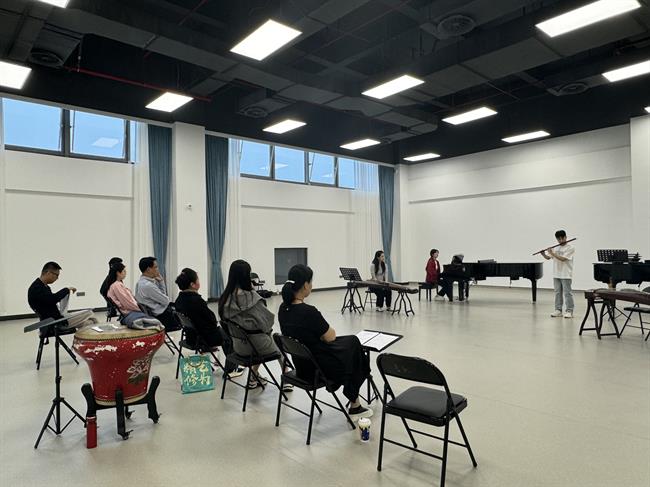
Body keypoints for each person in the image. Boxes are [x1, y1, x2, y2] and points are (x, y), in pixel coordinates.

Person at [278, 264, 372, 419]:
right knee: (354, 347)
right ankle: (355, 404)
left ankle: (354, 400)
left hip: (302, 366)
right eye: (311, 282)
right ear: (305, 285)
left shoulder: (283, 309)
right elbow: (330, 337)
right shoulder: (309, 312)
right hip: (318, 369)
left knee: (350, 344)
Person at [218, 260, 289, 390]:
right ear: (247, 276)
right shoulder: (252, 297)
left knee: (258, 338)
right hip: (258, 347)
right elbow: (267, 323)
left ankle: (253, 377)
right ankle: (286, 377)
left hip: (239, 347)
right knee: (276, 339)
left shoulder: (225, 299)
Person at [28, 261, 97, 336]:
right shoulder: (36, 288)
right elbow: (53, 299)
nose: (57, 278)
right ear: (48, 273)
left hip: (55, 319)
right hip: (54, 322)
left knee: (88, 323)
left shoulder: (43, 286)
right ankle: (101, 338)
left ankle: (86, 341)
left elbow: (50, 301)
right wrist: (66, 289)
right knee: (89, 313)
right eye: (56, 275)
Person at [106, 262, 162, 329]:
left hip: (130, 310)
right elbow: (126, 302)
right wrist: (139, 308)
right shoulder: (117, 285)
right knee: (157, 317)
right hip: (130, 311)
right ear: (118, 273)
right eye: (124, 271)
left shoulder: (116, 285)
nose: (125, 273)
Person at [134, 256, 181, 331]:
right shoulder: (148, 286)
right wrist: (162, 282)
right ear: (148, 269)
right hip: (162, 317)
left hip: (155, 313)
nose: (158, 269)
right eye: (156, 267)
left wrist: (160, 282)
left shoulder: (140, 282)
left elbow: (163, 297)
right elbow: (166, 301)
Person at [541, 230, 575, 318]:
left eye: (562, 238)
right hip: (556, 274)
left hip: (566, 274)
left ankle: (569, 311)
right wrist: (543, 254)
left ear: (565, 237)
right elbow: (548, 257)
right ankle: (558, 310)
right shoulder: (555, 248)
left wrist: (552, 253)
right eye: (558, 239)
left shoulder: (570, 248)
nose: (560, 241)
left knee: (567, 293)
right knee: (557, 293)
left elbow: (563, 259)